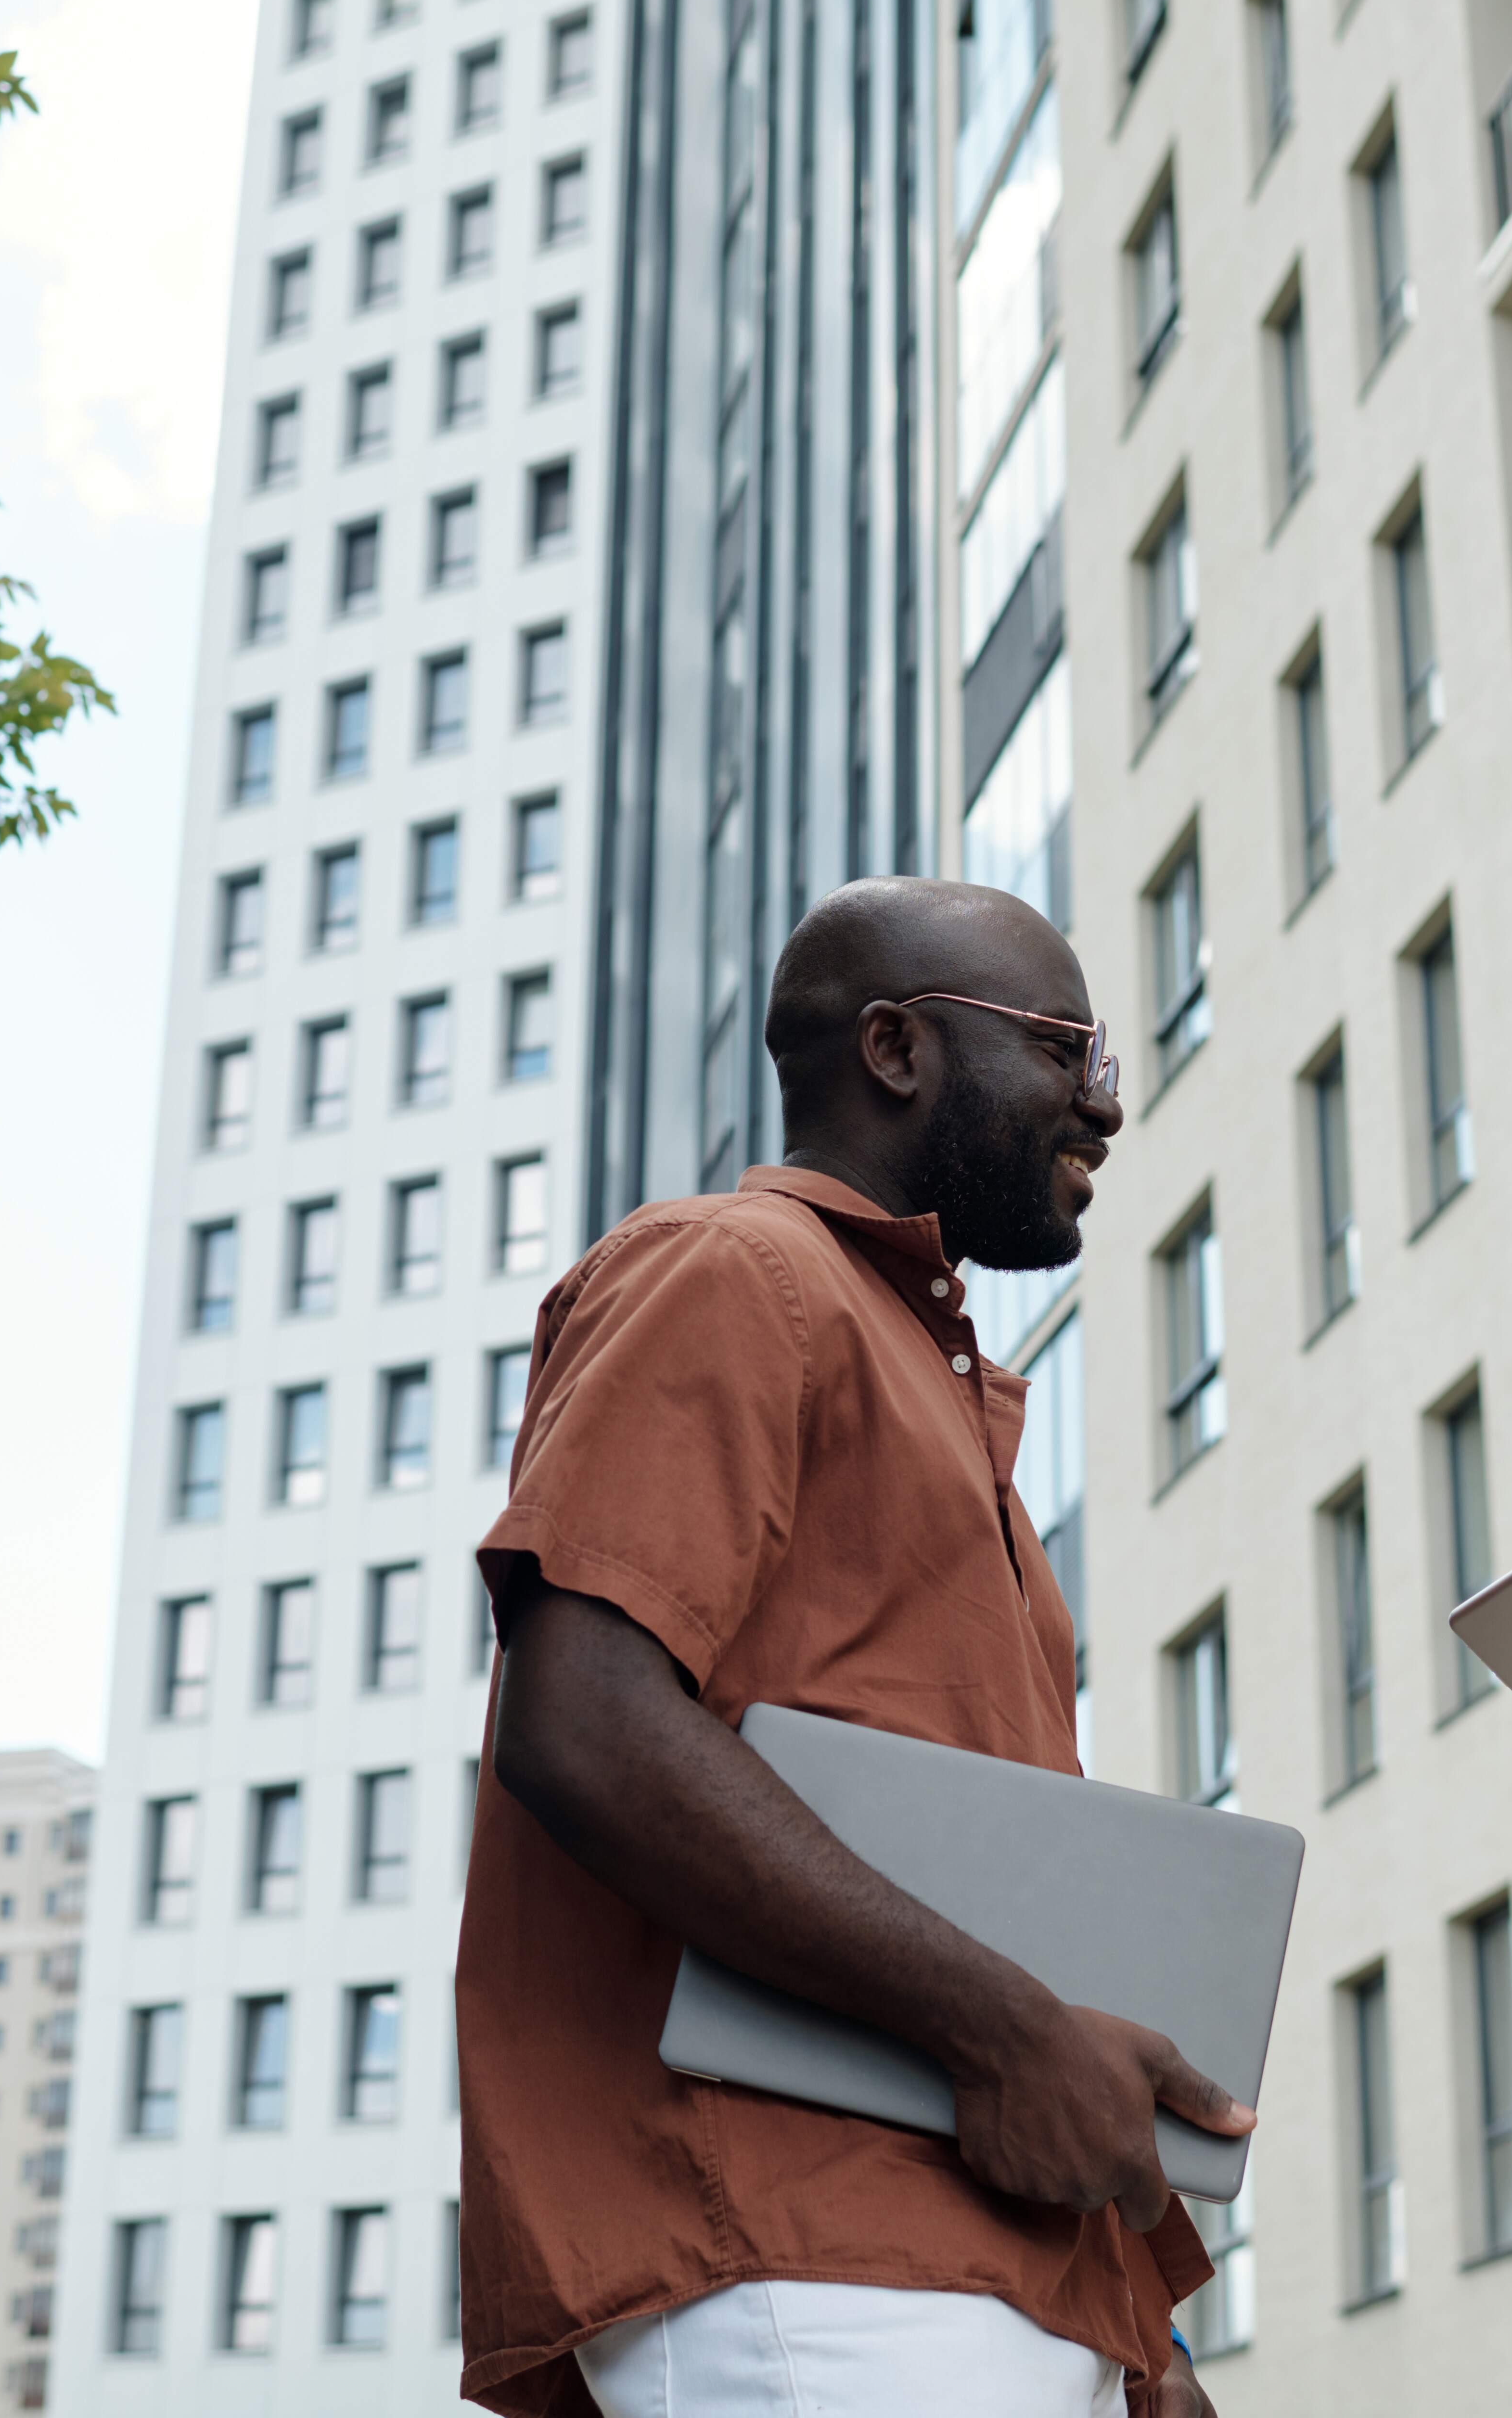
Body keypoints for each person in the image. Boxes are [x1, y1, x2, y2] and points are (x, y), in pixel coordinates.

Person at [455, 877, 1240, 2418]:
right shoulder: (729, 1271)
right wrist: (1011, 2032)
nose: (1105, 1101)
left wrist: (1144, 2323)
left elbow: (1006, 1898)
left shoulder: (929, 1381)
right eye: (1067, 1045)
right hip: (801, 2252)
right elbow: (586, 1721)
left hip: (983, 2269)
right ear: (896, 1049)